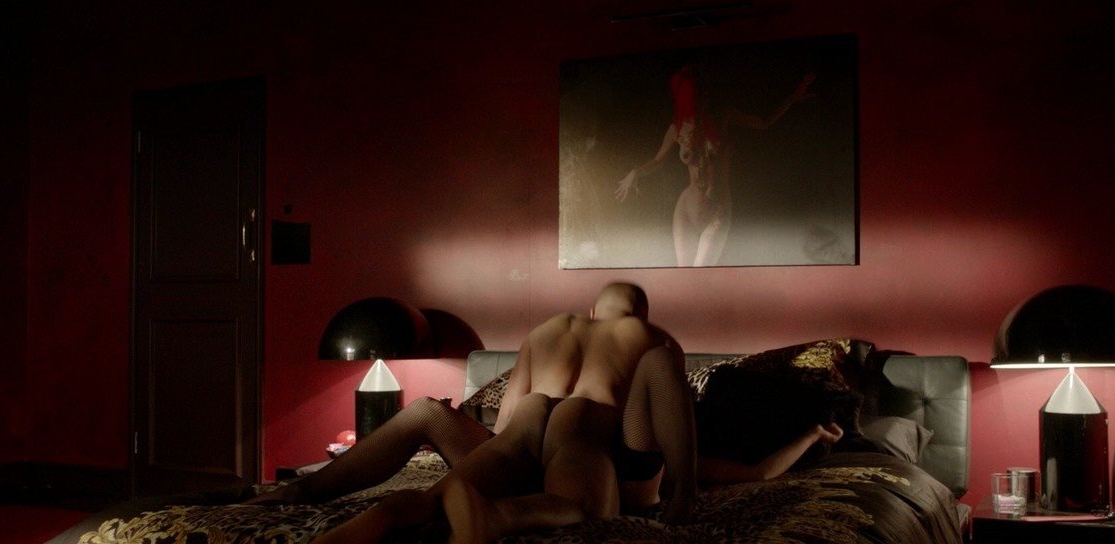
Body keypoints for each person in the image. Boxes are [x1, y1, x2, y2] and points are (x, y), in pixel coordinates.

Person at [312, 282, 698, 543]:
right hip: (582, 425)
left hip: (527, 421)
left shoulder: (547, 331)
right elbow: (663, 415)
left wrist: (505, 459)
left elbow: (507, 416)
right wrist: (680, 483)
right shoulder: (654, 338)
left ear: (593, 311)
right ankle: (497, 517)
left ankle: (363, 506)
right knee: (581, 508)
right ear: (641, 313)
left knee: (431, 447)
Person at [615, 65, 816, 267]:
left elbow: (763, 122)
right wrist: (637, 172)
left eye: (698, 96)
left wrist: (792, 98)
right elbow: (658, 160)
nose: (696, 102)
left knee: (701, 273)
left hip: (717, 207)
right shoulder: (677, 128)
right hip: (687, 206)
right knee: (684, 275)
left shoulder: (722, 116)